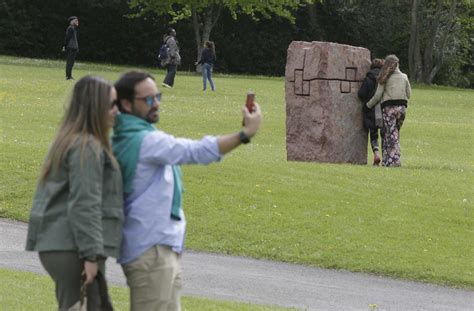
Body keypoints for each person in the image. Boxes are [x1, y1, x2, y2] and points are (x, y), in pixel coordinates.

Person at [112, 70, 262, 310]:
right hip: (151, 251)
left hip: (158, 248)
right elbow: (194, 151)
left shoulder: (130, 136)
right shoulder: (144, 141)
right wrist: (244, 134)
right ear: (127, 104)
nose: (157, 103)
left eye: (157, 96)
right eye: (149, 99)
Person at [25, 75, 123, 310]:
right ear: (95, 107)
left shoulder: (69, 139)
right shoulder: (86, 146)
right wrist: (90, 256)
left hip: (59, 244)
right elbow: (84, 204)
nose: (117, 111)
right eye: (112, 105)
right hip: (73, 248)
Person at [366, 55, 411, 167]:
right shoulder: (404, 77)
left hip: (389, 108)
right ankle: (387, 160)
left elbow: (377, 96)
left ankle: (393, 161)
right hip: (402, 108)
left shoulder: (384, 78)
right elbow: (409, 94)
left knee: (390, 134)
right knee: (393, 133)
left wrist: (368, 105)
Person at [358, 58, 384, 165]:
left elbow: (361, 94)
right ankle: (387, 156)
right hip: (383, 109)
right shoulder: (385, 79)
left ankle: (376, 153)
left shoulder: (368, 78)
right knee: (385, 134)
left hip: (371, 110)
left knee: (373, 134)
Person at [63, 16, 79, 80]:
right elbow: (67, 38)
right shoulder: (70, 28)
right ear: (71, 21)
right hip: (70, 48)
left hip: (74, 48)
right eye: (75, 20)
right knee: (69, 62)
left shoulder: (74, 28)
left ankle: (70, 76)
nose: (77, 22)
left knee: (71, 63)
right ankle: (68, 76)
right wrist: (65, 46)